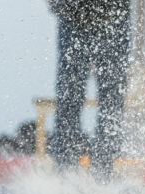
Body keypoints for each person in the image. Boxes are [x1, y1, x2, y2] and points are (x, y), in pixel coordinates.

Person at [47, 0, 131, 180]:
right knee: (69, 101)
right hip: (73, 15)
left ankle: (103, 176)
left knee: (112, 105)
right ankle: (65, 178)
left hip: (114, 16)